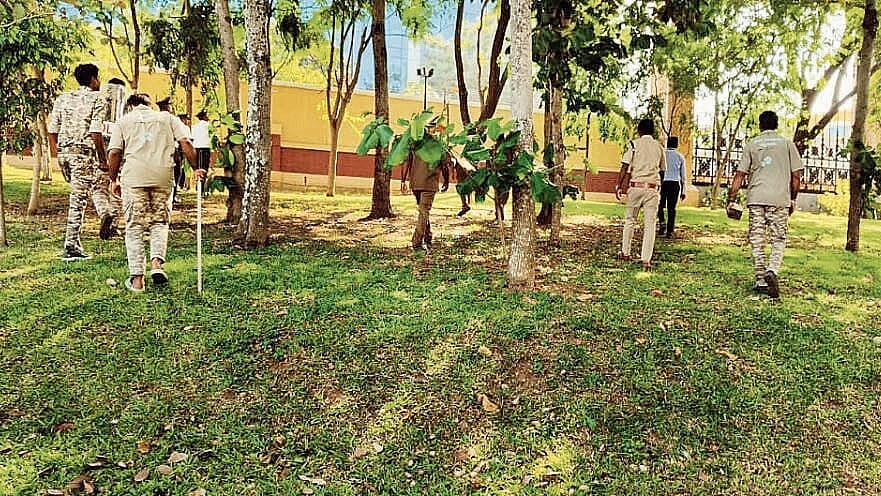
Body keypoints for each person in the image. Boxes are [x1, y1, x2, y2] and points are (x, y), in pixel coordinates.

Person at [107, 93, 203, 292]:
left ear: (131, 106)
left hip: (134, 178)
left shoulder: (124, 121)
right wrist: (196, 168)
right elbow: (185, 143)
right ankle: (157, 264)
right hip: (163, 176)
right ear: (149, 105)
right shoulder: (167, 118)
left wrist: (113, 179)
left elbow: (115, 152)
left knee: (134, 226)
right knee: (159, 222)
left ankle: (137, 280)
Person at [727, 110, 802, 299]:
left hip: (756, 198)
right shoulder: (787, 144)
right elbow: (796, 176)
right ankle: (773, 270)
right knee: (778, 238)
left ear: (760, 125)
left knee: (757, 239)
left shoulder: (752, 144)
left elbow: (740, 175)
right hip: (779, 199)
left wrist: (731, 199)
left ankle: (761, 280)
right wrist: (793, 198)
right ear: (776, 125)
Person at [48, 63, 110, 261]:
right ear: (93, 79)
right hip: (82, 154)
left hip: (64, 152)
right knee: (78, 200)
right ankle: (71, 244)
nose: (99, 82)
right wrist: (103, 160)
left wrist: (58, 155)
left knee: (80, 193)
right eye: (98, 78)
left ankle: (78, 237)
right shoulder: (98, 99)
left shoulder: (63, 98)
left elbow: (52, 131)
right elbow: (95, 132)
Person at [615, 118, 667, 270]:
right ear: (653, 131)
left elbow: (625, 166)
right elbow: (663, 170)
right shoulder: (659, 147)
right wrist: (658, 185)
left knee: (630, 220)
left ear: (639, 130)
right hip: (652, 188)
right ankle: (646, 259)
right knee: (650, 224)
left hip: (635, 186)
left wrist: (619, 185)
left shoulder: (633, 144)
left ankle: (625, 252)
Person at [407, 151, 450, 250]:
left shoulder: (415, 143)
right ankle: (417, 242)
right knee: (424, 211)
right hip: (429, 183)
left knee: (423, 211)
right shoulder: (438, 145)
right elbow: (445, 165)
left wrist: (405, 180)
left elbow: (408, 163)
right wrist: (446, 181)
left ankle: (428, 236)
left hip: (415, 183)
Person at [657, 136, 687, 238]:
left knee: (660, 205)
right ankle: (670, 231)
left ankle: (661, 223)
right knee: (671, 208)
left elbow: (658, 169)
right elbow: (683, 176)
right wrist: (684, 191)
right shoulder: (680, 157)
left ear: (667, 143)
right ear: (676, 145)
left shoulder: (662, 154)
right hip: (674, 184)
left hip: (663, 183)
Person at [191, 110, 211, 192]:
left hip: (196, 148)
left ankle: (199, 187)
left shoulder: (194, 127)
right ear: (204, 116)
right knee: (204, 168)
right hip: (205, 148)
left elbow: (192, 137)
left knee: (198, 167)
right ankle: (201, 188)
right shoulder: (208, 126)